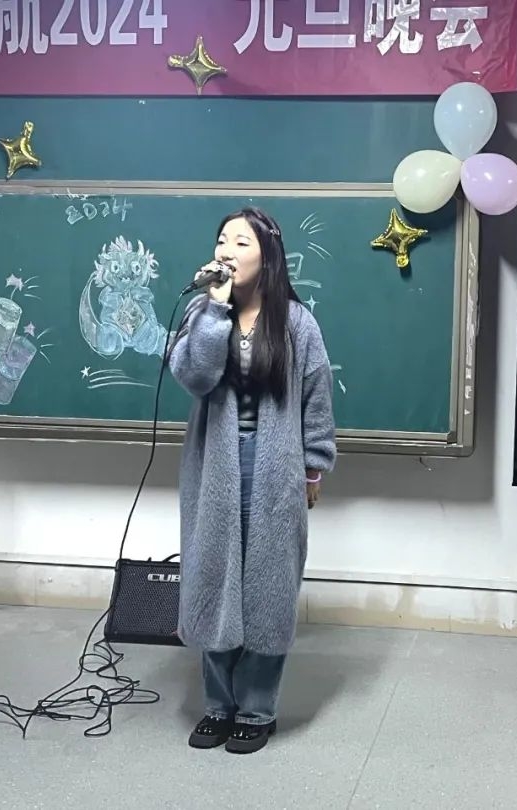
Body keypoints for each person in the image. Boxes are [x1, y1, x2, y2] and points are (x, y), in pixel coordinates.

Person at [166, 206, 337, 755]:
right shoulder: (202, 311)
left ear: (268, 255)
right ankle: (218, 705)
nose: (227, 251)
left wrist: (313, 467)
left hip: (275, 469)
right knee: (214, 582)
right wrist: (216, 310)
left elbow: (316, 396)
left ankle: (257, 709)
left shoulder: (297, 322)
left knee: (267, 589)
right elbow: (193, 375)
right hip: (214, 468)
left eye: (241, 242)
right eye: (222, 240)